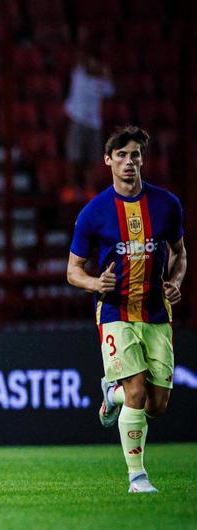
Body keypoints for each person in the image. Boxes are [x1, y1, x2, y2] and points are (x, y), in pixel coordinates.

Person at [66, 126, 186, 493]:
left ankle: (111, 394)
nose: (129, 162)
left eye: (135, 155)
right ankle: (138, 476)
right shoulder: (93, 213)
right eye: (121, 155)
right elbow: (73, 271)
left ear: (142, 160)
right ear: (108, 161)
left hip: (155, 312)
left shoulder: (167, 205)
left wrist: (176, 282)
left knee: (156, 404)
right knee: (135, 388)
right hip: (115, 311)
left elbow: (180, 254)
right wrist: (94, 284)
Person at [64, 49, 115, 196]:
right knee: (73, 158)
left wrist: (105, 73)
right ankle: (71, 189)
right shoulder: (78, 75)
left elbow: (111, 91)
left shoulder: (101, 82)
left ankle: (88, 188)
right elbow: (79, 58)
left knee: (91, 160)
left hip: (94, 125)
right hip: (78, 121)